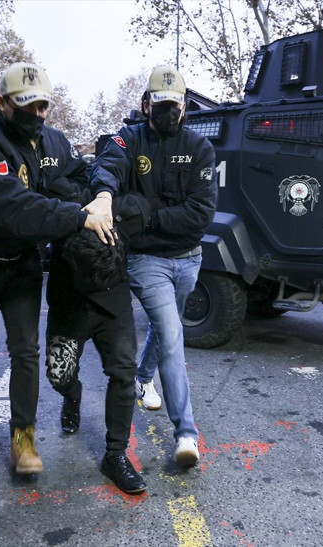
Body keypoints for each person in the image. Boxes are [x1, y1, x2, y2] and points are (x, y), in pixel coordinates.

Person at [0, 62, 114, 475]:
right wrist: (76, 215)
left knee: (26, 351)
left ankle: (24, 437)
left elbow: (81, 174)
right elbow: (12, 209)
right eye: (27, 105)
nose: (38, 114)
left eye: (43, 106)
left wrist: (100, 194)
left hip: (21, 265)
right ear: (1, 103)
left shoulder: (51, 140)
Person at [88, 66, 218, 467]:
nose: (166, 110)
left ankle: (144, 379)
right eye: (159, 103)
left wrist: (145, 214)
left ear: (184, 107)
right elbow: (107, 166)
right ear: (146, 104)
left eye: (173, 105)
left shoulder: (200, 148)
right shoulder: (129, 138)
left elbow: (201, 213)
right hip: (146, 261)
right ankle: (187, 434)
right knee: (172, 335)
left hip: (188, 259)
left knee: (167, 330)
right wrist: (107, 196)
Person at [45, 188, 151, 495]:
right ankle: (72, 394)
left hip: (112, 303)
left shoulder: (128, 213)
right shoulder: (58, 219)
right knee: (58, 376)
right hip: (69, 304)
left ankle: (115, 454)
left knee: (123, 373)